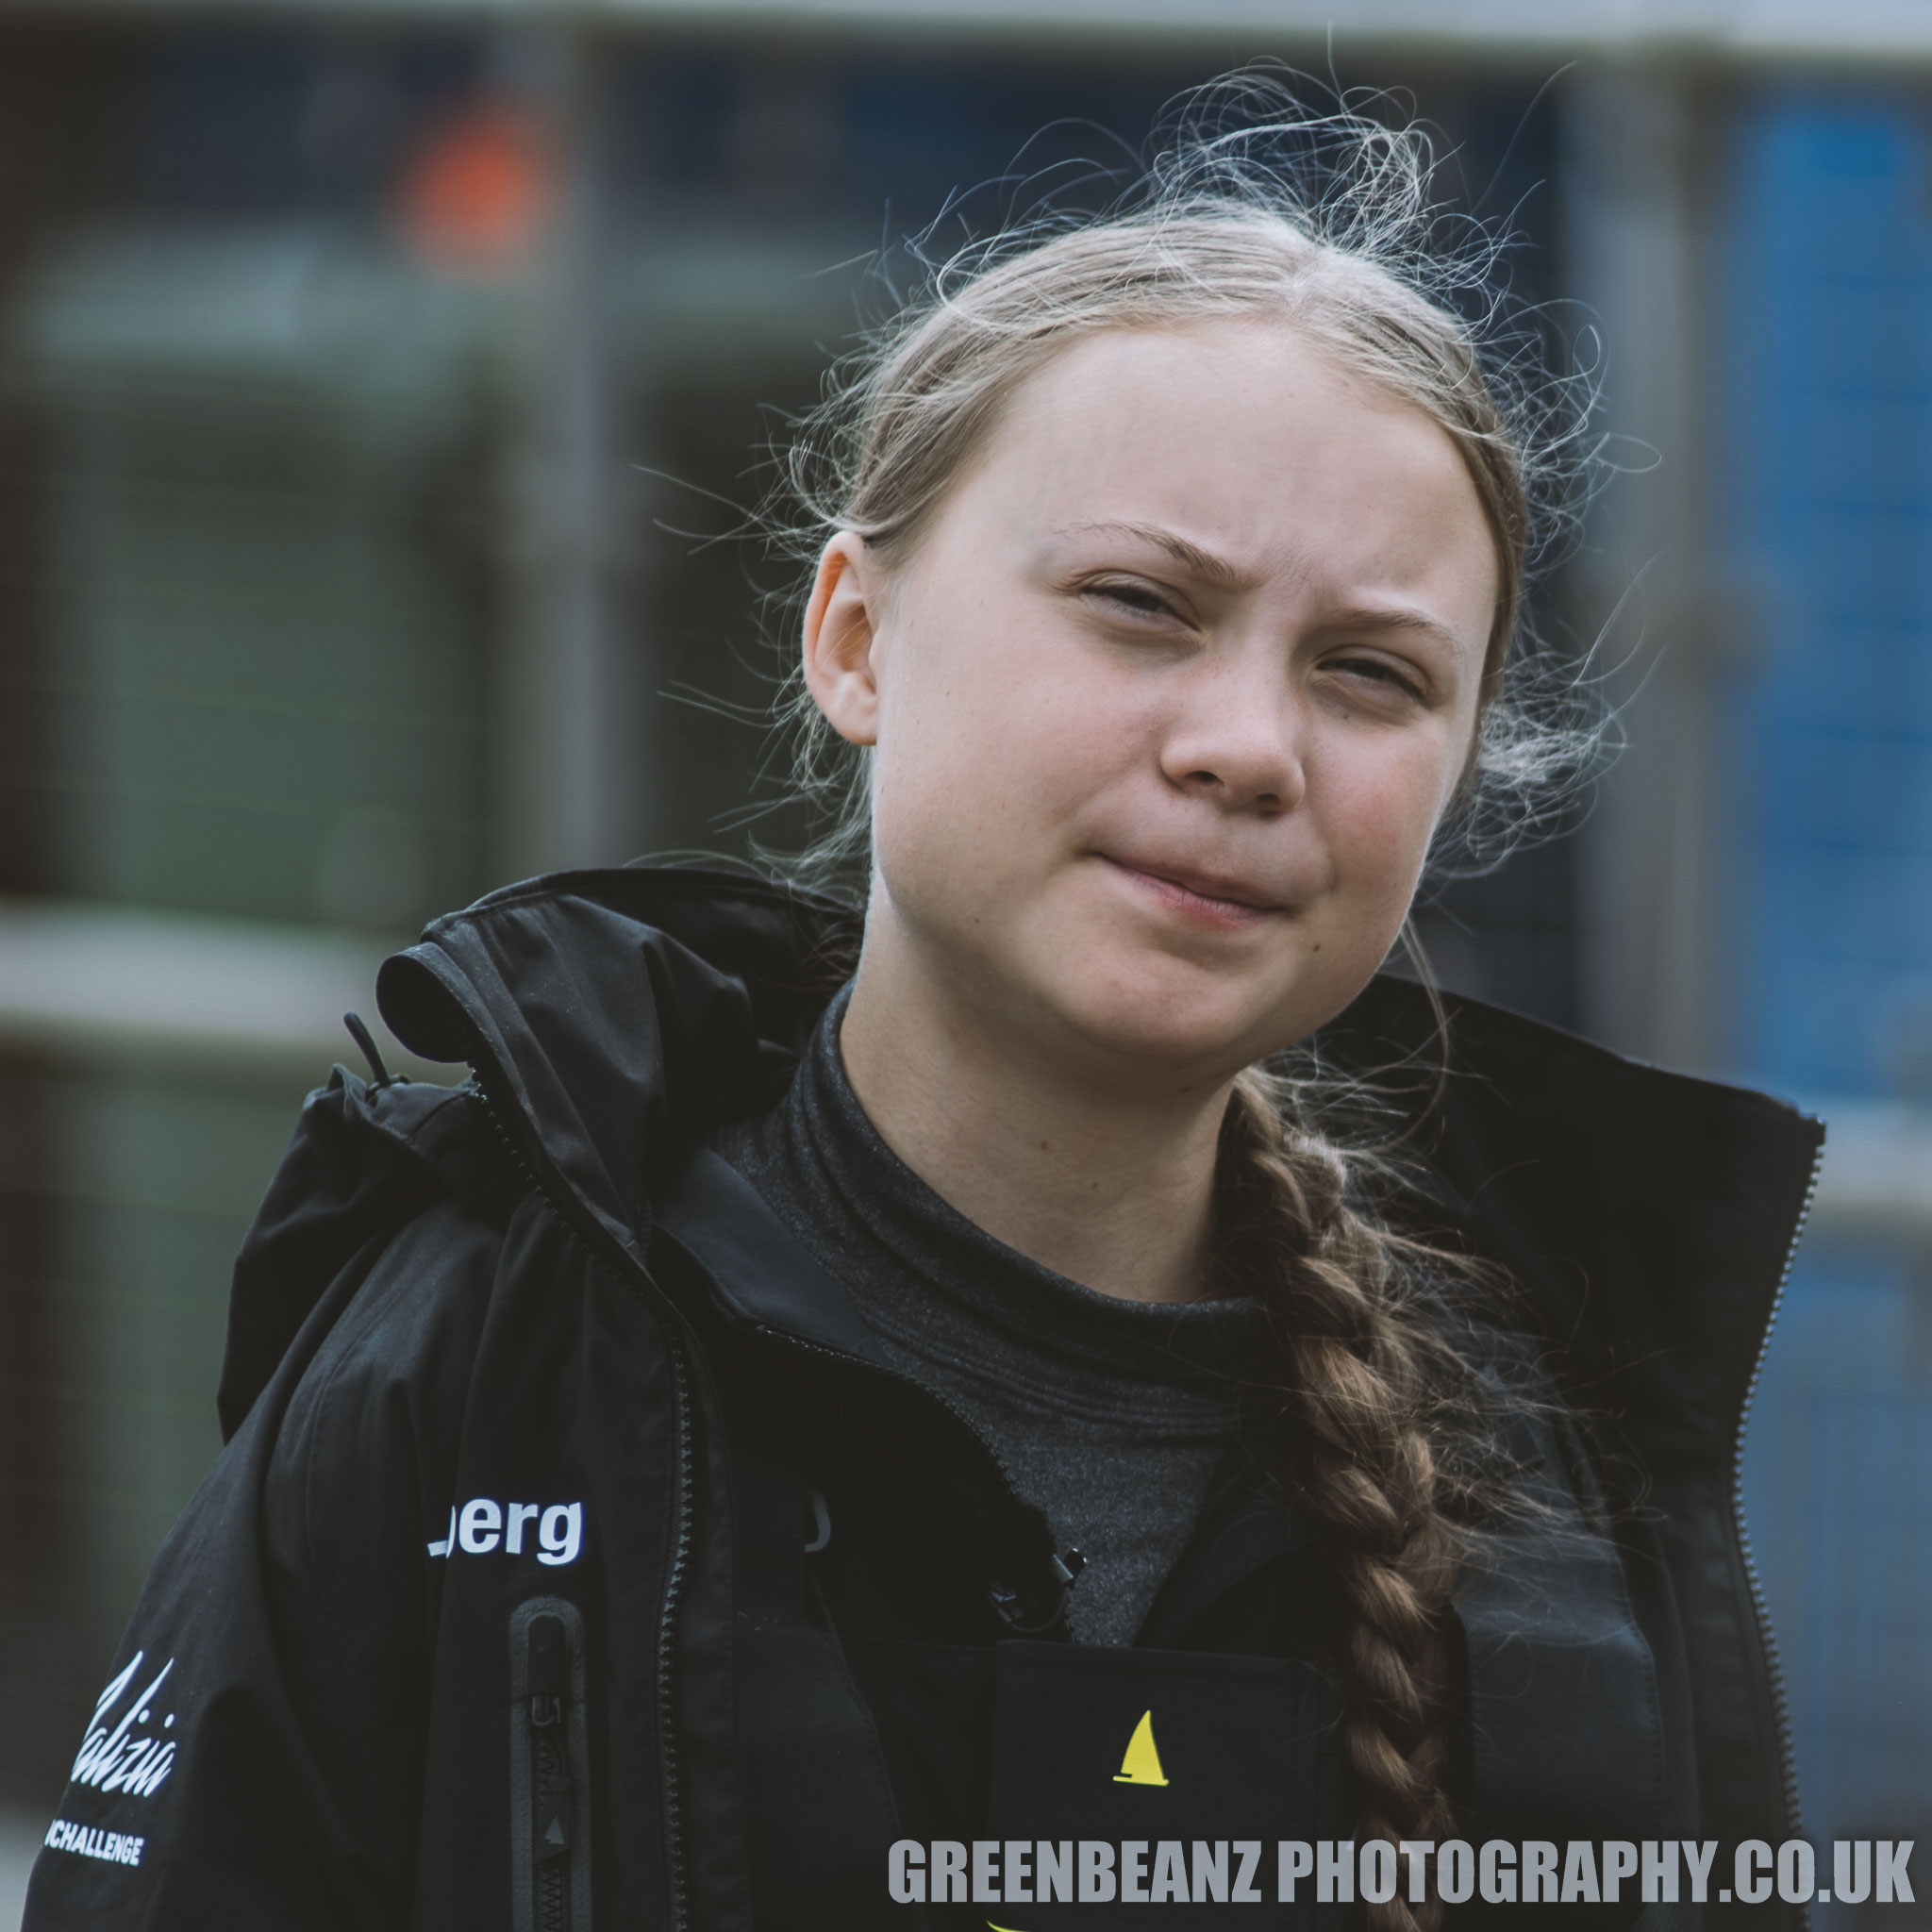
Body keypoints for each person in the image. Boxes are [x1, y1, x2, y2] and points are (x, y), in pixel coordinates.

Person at [25, 84, 1821, 1932]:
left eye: (1369, 673)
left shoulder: (1570, 1456)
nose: (1244, 748)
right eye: (1138, 603)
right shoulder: (482, 1355)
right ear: (854, 640)